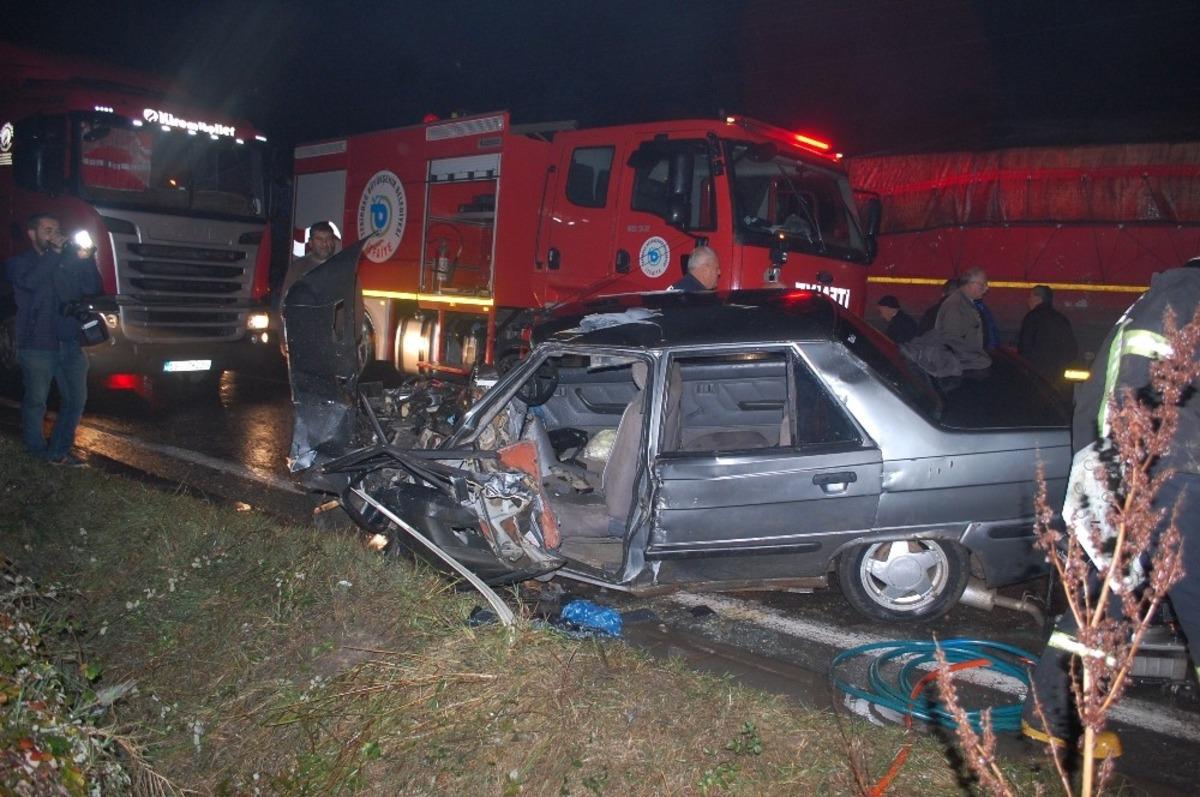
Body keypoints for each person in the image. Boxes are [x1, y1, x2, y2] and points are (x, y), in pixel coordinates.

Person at [1020, 259, 1200, 756]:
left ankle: (1053, 716)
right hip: (1159, 471)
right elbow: (1132, 382)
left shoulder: (1176, 294)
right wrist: (1128, 469)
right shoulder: (1186, 294)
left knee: (1108, 599)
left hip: (1147, 469)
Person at [5, 214, 103, 466]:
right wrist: (55, 253)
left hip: (70, 341)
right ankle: (36, 451)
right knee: (36, 400)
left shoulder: (67, 260)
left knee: (76, 399)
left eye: (57, 230)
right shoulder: (19, 263)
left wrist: (87, 258)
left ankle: (58, 451)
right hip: (37, 343)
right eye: (47, 230)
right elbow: (30, 283)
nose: (54, 235)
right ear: (32, 234)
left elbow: (92, 288)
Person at [1017, 284, 1078, 392]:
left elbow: (1024, 347)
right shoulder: (1061, 319)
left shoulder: (1032, 318)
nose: (1028, 300)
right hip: (1058, 376)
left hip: (1036, 375)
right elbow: (1071, 349)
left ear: (1038, 298)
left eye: (1030, 296)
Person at [281, 221, 339, 302]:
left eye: (328, 239)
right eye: (319, 239)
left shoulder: (341, 266)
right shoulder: (297, 268)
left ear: (333, 242)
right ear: (310, 242)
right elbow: (285, 300)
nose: (324, 243)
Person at [935, 267, 989, 351]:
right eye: (983, 284)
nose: (986, 288)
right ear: (971, 284)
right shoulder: (955, 306)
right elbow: (952, 342)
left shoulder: (966, 304)